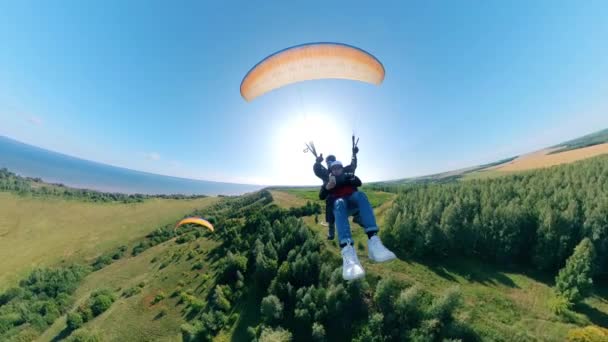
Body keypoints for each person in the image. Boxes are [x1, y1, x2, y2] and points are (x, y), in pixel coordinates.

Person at [320, 160, 396, 281]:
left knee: (361, 195)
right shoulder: (328, 181)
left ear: (341, 168)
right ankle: (347, 249)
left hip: (352, 200)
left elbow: (358, 182)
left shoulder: (348, 175)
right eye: (334, 168)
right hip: (341, 205)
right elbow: (321, 196)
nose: (336, 170)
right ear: (331, 171)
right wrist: (327, 187)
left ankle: (373, 240)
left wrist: (350, 179)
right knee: (338, 202)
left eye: (338, 168)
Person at [312, 138, 361, 240]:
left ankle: (357, 216)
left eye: (331, 161)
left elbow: (353, 166)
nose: (330, 163)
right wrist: (317, 162)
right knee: (329, 202)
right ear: (326, 164)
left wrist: (354, 154)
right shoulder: (325, 173)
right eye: (328, 162)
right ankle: (331, 229)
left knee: (354, 193)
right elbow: (317, 170)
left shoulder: (342, 170)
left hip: (346, 195)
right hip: (333, 196)